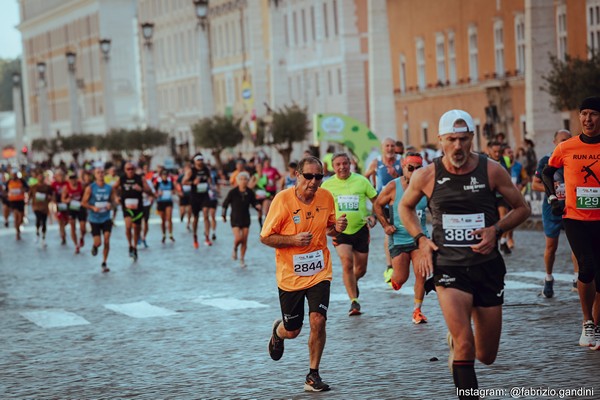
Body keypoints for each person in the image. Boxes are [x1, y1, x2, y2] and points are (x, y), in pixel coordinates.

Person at [399, 109, 530, 397]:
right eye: (451, 140)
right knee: (466, 343)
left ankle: (457, 344)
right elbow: (404, 207)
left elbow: (523, 209)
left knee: (487, 355)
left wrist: (495, 230)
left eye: (463, 139)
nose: (457, 146)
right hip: (449, 267)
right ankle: (460, 350)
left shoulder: (492, 170)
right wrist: (420, 239)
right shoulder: (427, 174)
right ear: (440, 140)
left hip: (487, 266)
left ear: (472, 138)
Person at [261, 156, 347, 392]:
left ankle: (313, 374)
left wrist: (337, 228)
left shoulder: (326, 197)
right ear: (297, 175)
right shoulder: (282, 200)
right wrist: (292, 240)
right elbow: (265, 237)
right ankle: (278, 332)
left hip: (320, 270)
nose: (313, 181)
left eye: (318, 177)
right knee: (293, 330)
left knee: (318, 320)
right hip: (290, 275)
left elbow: (329, 228)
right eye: (308, 176)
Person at [542, 97, 600, 349]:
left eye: (594, 114)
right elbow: (546, 171)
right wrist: (553, 196)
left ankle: (596, 327)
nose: (588, 119)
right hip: (575, 218)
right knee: (586, 267)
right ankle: (587, 322)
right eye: (584, 113)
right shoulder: (567, 147)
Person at [374, 152, 429, 324]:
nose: (414, 172)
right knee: (401, 278)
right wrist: (385, 225)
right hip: (398, 239)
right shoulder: (393, 187)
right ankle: (394, 277)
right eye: (410, 168)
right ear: (403, 168)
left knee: (422, 274)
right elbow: (377, 205)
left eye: (418, 168)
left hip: (420, 239)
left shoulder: (427, 187)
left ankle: (417, 311)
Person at [321, 152, 378, 315]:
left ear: (350, 164)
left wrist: (373, 216)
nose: (342, 167)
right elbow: (319, 206)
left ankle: (353, 281)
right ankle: (354, 302)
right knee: (347, 263)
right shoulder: (327, 186)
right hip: (340, 230)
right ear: (333, 167)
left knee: (361, 269)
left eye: (345, 163)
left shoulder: (361, 180)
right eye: (338, 164)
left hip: (360, 229)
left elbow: (377, 201)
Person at [532, 129, 578, 298]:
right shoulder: (546, 160)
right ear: (555, 143)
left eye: (568, 140)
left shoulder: (575, 158)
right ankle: (548, 278)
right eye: (561, 140)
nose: (564, 143)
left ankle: (576, 279)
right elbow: (534, 185)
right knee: (551, 246)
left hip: (572, 208)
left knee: (576, 244)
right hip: (552, 208)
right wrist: (552, 189)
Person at [364, 137, 403, 285]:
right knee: (388, 232)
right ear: (382, 148)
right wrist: (373, 189)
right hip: (384, 204)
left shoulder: (401, 161)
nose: (390, 148)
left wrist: (396, 176)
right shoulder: (377, 162)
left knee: (400, 231)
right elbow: (365, 177)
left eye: (392, 146)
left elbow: (409, 179)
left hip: (399, 202)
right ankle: (390, 266)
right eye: (387, 146)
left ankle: (400, 261)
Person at [114, 162, 154, 262]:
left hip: (138, 207)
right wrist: (116, 197)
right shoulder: (121, 178)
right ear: (125, 170)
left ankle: (135, 247)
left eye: (132, 168)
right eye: (128, 169)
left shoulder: (140, 178)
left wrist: (141, 189)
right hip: (126, 207)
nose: (130, 171)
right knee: (128, 226)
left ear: (134, 169)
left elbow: (149, 191)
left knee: (136, 228)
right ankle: (130, 245)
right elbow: (114, 188)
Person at [221, 171, 260, 268]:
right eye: (241, 179)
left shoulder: (250, 192)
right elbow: (225, 204)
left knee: (245, 240)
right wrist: (223, 215)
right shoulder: (233, 192)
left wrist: (257, 206)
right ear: (238, 181)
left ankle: (242, 259)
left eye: (245, 179)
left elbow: (254, 202)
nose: (243, 181)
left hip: (246, 218)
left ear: (247, 181)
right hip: (235, 218)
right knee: (238, 238)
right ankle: (234, 248)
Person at [82, 168, 116, 273]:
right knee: (99, 242)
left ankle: (104, 262)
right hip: (94, 219)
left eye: (102, 173)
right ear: (95, 175)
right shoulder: (90, 188)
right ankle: (94, 246)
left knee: (106, 240)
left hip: (106, 217)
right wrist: (92, 208)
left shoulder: (109, 188)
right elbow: (83, 203)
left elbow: (114, 201)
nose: (100, 175)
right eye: (98, 173)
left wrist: (112, 205)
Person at [182, 154, 214, 248]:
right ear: (195, 161)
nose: (200, 161)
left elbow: (210, 179)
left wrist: (210, 183)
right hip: (195, 196)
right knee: (195, 217)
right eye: (198, 160)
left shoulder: (206, 169)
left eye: (201, 159)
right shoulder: (191, 171)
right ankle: (195, 236)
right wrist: (192, 182)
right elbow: (183, 182)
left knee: (206, 214)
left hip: (204, 195)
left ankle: (207, 237)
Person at [62, 173, 87, 254]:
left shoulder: (81, 186)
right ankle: (76, 245)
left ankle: (82, 237)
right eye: (71, 180)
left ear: (77, 179)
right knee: (72, 227)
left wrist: (84, 201)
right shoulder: (66, 187)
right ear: (69, 180)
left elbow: (86, 195)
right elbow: (63, 199)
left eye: (74, 179)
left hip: (80, 207)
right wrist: (67, 200)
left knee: (83, 228)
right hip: (72, 208)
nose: (73, 181)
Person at [29, 170, 53, 247]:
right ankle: (37, 233)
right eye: (39, 177)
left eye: (42, 177)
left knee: (44, 222)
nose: (40, 178)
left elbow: (51, 196)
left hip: (44, 207)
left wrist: (50, 198)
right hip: (36, 206)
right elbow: (30, 195)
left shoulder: (48, 187)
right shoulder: (33, 187)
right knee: (38, 219)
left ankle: (43, 237)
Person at [7, 169, 29, 240]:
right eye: (13, 174)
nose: (14, 175)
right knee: (16, 217)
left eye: (15, 174)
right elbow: (5, 190)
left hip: (20, 200)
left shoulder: (22, 181)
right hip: (13, 201)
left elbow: (27, 189)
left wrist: (23, 190)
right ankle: (17, 232)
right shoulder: (9, 181)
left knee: (21, 217)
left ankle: (19, 226)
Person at [155, 169, 175, 243]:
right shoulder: (158, 183)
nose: (165, 176)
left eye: (166, 175)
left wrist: (172, 192)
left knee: (169, 218)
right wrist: (158, 194)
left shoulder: (170, 183)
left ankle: (170, 234)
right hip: (161, 202)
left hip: (168, 202)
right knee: (163, 220)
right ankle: (163, 235)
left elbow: (174, 191)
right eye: (163, 175)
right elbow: (155, 193)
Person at [50, 169, 69, 245]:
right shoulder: (54, 184)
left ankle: (63, 229)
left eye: (62, 175)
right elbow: (51, 193)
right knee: (60, 221)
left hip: (67, 204)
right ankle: (63, 236)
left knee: (66, 221)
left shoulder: (67, 183)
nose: (60, 177)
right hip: (58, 204)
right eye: (59, 175)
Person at [177, 163, 192, 231]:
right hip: (183, 194)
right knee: (183, 210)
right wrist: (179, 191)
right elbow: (177, 184)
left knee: (189, 210)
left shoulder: (192, 176)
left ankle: (188, 223)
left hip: (190, 194)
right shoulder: (181, 176)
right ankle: (182, 215)